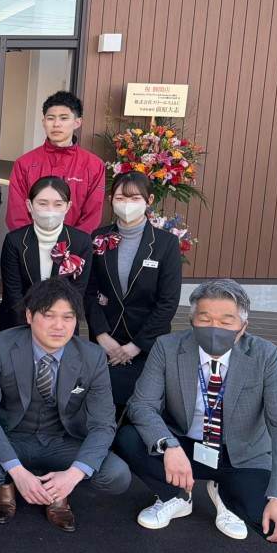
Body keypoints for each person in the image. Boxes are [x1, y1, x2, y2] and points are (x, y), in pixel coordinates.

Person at [115, 280, 277, 545]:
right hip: (184, 445)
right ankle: (177, 496)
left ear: (243, 327)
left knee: (269, 523)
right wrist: (168, 445)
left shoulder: (266, 356)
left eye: (226, 321)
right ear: (192, 321)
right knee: (128, 438)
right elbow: (141, 404)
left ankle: (224, 494)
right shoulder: (167, 347)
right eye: (205, 319)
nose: (215, 328)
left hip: (240, 453)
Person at [0, 277, 131, 532]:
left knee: (116, 475)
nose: (59, 326)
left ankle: (58, 489)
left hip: (62, 441)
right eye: (49, 315)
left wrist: (73, 475)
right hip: (12, 435)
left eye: (68, 317)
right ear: (30, 316)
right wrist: (17, 472)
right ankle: (6, 483)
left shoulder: (93, 356)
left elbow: (103, 424)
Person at [85, 170, 182, 407]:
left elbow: (168, 302)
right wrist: (101, 335)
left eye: (135, 198)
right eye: (120, 198)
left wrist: (137, 345)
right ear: (111, 200)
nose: (127, 204)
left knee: (140, 405)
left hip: (146, 343)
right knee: (99, 403)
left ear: (149, 200)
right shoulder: (98, 237)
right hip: (105, 340)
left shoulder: (165, 243)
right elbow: (88, 290)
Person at [0, 176, 93, 331]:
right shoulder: (14, 241)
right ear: (30, 205)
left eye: (58, 204)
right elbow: (13, 293)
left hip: (62, 327)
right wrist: (34, 326)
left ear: (68, 206)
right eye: (42, 203)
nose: (50, 211)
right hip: (19, 322)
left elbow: (77, 291)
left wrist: (54, 325)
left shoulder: (81, 242)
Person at [5, 91, 106, 233]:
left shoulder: (94, 165)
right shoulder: (24, 163)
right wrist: (29, 241)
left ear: (77, 122)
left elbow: (92, 215)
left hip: (74, 244)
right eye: (51, 118)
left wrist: (72, 242)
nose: (56, 124)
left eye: (64, 118)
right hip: (30, 243)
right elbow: (16, 213)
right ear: (43, 122)